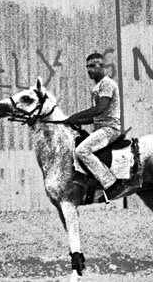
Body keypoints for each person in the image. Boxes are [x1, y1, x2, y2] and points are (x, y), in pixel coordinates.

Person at [62, 52, 123, 199]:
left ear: (101, 67)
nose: (89, 70)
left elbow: (100, 109)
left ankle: (110, 184)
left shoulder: (107, 83)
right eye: (87, 67)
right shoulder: (97, 87)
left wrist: (76, 116)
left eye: (92, 66)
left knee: (82, 150)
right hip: (101, 128)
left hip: (110, 129)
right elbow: (96, 117)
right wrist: (74, 121)